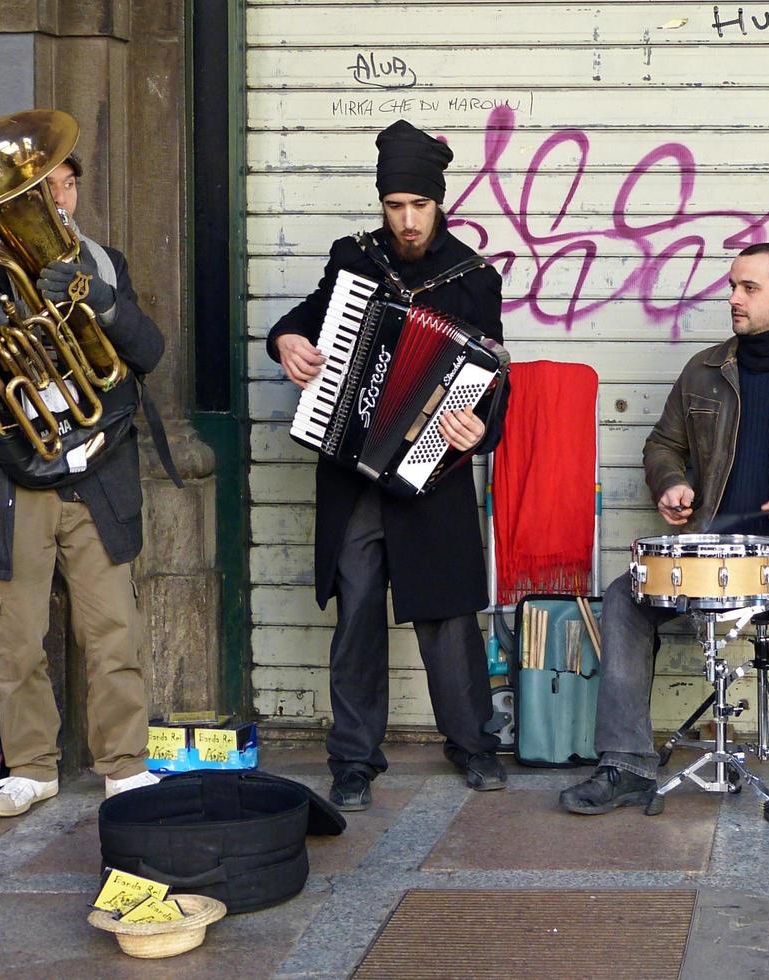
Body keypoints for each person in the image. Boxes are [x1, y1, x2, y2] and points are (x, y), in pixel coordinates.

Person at [558, 243, 769, 835]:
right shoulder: (704, 371)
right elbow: (663, 445)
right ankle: (626, 762)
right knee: (622, 600)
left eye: (749, 288)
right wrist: (672, 483)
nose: (733, 299)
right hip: (708, 544)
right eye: (733, 286)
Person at [267, 120, 508, 811]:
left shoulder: (472, 278)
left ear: (440, 203)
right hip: (353, 471)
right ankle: (352, 760)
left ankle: (473, 745)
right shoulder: (354, 257)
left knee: (447, 618)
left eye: (419, 207)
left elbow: (494, 375)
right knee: (357, 615)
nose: (405, 222)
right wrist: (286, 340)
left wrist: (474, 426)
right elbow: (310, 317)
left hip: (431, 475)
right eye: (394, 206)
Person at [0, 152, 164, 816]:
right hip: (13, 481)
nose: (58, 197)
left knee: (113, 628)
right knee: (14, 636)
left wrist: (102, 304)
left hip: (97, 475)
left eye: (65, 182)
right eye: (40, 188)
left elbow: (148, 352)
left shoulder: (103, 264)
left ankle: (124, 764)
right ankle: (32, 767)